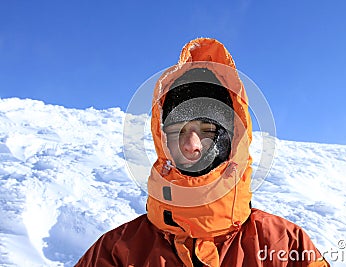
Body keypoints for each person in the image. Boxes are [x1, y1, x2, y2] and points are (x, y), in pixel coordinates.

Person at [75, 38, 330, 267]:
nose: (191, 145)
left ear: (233, 140)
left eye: (208, 129)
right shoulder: (116, 253)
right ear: (161, 140)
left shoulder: (286, 247)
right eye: (176, 130)